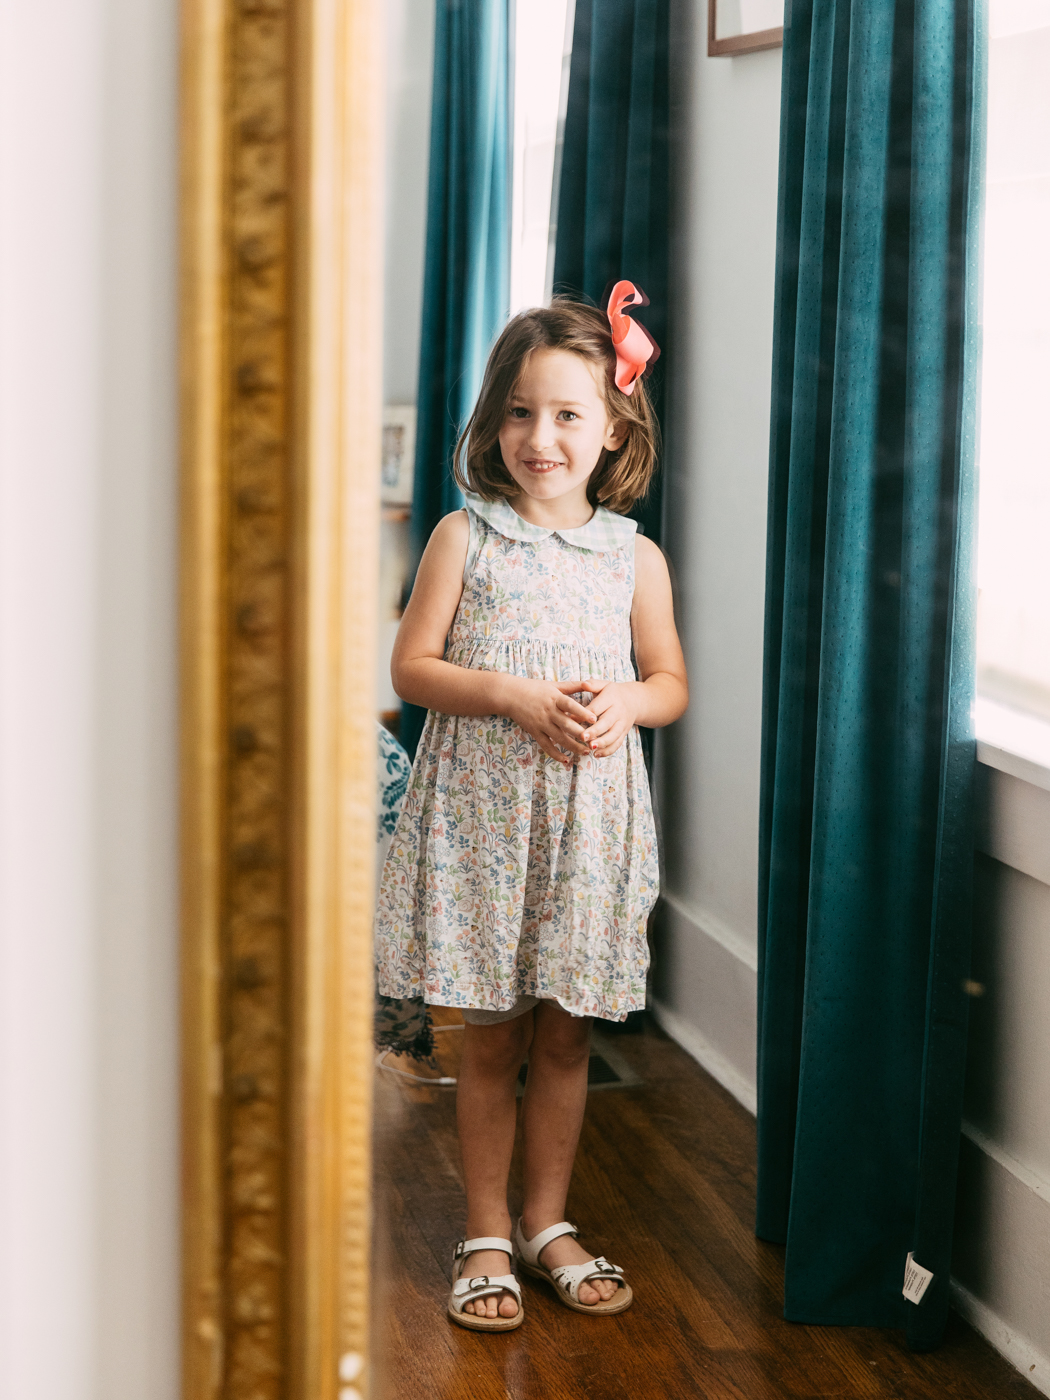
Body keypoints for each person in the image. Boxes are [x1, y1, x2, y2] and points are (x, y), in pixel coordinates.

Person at [375, 286, 688, 1332]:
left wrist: (628, 707)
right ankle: (484, 1229)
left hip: (585, 829)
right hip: (484, 825)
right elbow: (412, 668)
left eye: (566, 414)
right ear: (491, 421)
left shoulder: (633, 558)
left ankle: (548, 1221)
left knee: (566, 1041)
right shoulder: (467, 540)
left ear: (613, 429)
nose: (539, 436)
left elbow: (670, 681)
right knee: (494, 1037)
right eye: (519, 411)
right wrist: (508, 692)